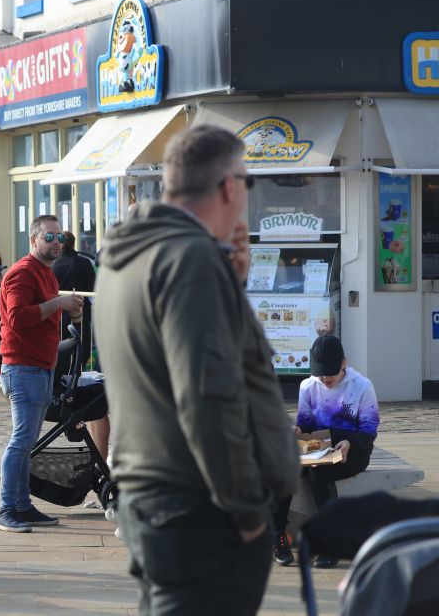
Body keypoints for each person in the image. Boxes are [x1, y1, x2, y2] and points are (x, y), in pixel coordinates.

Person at [93, 124, 299, 616]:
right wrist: (249, 514)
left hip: (160, 500)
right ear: (230, 186)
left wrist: (232, 283)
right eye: (246, 183)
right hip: (202, 510)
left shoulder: (134, 255)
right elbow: (207, 399)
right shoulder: (189, 259)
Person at [0, 215, 83, 533]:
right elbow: (17, 317)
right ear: (34, 240)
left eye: (60, 236)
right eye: (49, 237)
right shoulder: (23, 272)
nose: (56, 242)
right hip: (23, 367)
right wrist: (59, 302)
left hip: (39, 366)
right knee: (21, 441)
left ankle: (22, 506)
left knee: (27, 441)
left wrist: (65, 306)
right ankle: (6, 508)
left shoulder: (46, 272)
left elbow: (42, 313)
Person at [272, 335, 380, 569]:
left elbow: (369, 429)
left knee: (318, 474)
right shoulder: (308, 386)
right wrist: (297, 429)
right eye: (320, 373)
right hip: (318, 447)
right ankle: (278, 535)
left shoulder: (362, 386)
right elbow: (307, 423)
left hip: (354, 449)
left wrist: (350, 443)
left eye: (329, 373)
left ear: (344, 363)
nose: (324, 379)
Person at [51, 231, 101, 457]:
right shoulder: (83, 262)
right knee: (79, 350)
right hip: (80, 315)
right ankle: (76, 378)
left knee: (61, 350)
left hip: (57, 317)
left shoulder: (53, 264)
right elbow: (93, 292)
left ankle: (64, 379)